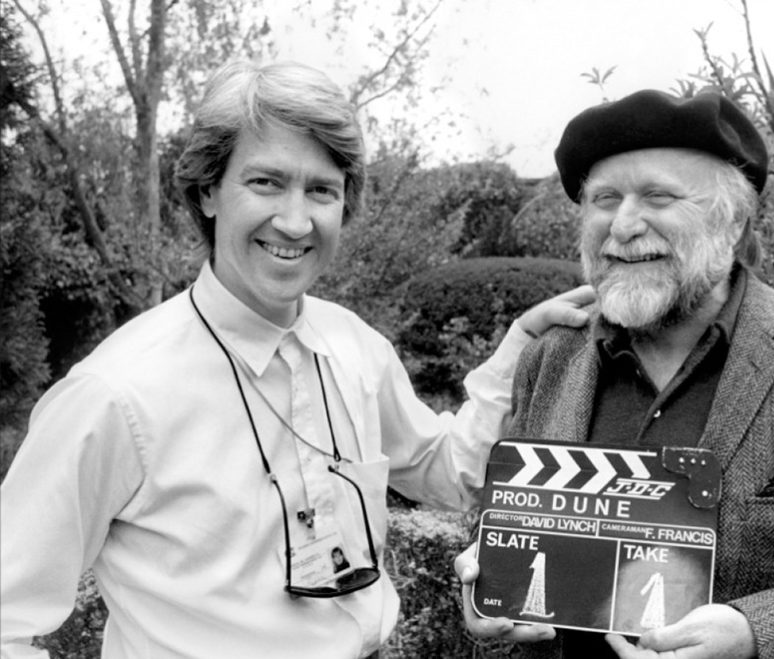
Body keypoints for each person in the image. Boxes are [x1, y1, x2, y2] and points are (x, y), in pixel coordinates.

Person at [0, 60, 591, 659]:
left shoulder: (356, 347)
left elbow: (445, 471)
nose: (295, 220)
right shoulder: (113, 394)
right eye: (265, 182)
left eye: (321, 190)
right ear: (208, 191)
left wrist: (516, 353)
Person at [456, 89, 774, 658]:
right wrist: (489, 591)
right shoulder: (552, 356)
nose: (623, 225)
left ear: (731, 223)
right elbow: (512, 530)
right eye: (605, 198)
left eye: (658, 196)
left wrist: (756, 634)